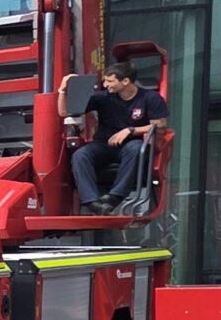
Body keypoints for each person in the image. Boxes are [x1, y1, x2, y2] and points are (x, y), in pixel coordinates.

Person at [62, 64, 169, 215]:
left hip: (131, 144)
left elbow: (160, 125)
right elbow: (64, 111)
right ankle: (92, 202)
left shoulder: (150, 98)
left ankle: (115, 197)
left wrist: (131, 130)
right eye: (105, 81)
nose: (106, 85)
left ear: (125, 81)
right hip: (104, 145)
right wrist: (63, 90)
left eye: (110, 81)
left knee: (136, 148)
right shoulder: (103, 97)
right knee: (80, 155)